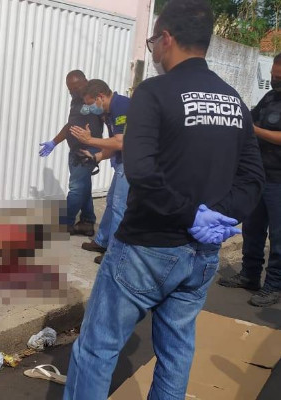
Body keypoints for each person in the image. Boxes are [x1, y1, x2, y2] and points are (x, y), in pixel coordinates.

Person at [63, 1, 265, 399]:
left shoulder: (154, 93)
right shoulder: (233, 100)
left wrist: (192, 215)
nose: (153, 48)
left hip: (146, 248)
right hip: (202, 254)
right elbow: (252, 177)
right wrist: (220, 217)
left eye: (153, 39)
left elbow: (141, 171)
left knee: (98, 349)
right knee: (176, 351)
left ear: (167, 39)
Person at [218, 53, 281, 307]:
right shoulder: (270, 98)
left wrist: (254, 130)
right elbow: (249, 119)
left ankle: (274, 285)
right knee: (252, 229)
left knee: (278, 237)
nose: (274, 80)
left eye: (279, 77)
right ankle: (250, 275)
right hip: (260, 177)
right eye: (273, 75)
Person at [70, 79, 131, 264]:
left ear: (100, 97)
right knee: (112, 202)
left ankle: (115, 253)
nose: (90, 109)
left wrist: (90, 141)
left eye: (91, 104)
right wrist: (95, 157)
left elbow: (121, 142)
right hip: (123, 161)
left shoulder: (121, 106)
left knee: (119, 207)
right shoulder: (110, 111)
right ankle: (102, 241)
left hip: (132, 162)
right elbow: (114, 144)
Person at [39, 70, 104, 236]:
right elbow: (70, 125)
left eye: (76, 87)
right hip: (75, 151)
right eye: (70, 89)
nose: (73, 92)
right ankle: (87, 222)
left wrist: (110, 147)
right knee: (83, 186)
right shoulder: (75, 101)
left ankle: (65, 223)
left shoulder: (96, 99)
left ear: (86, 82)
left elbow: (109, 119)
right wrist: (54, 142)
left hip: (87, 151)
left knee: (76, 188)